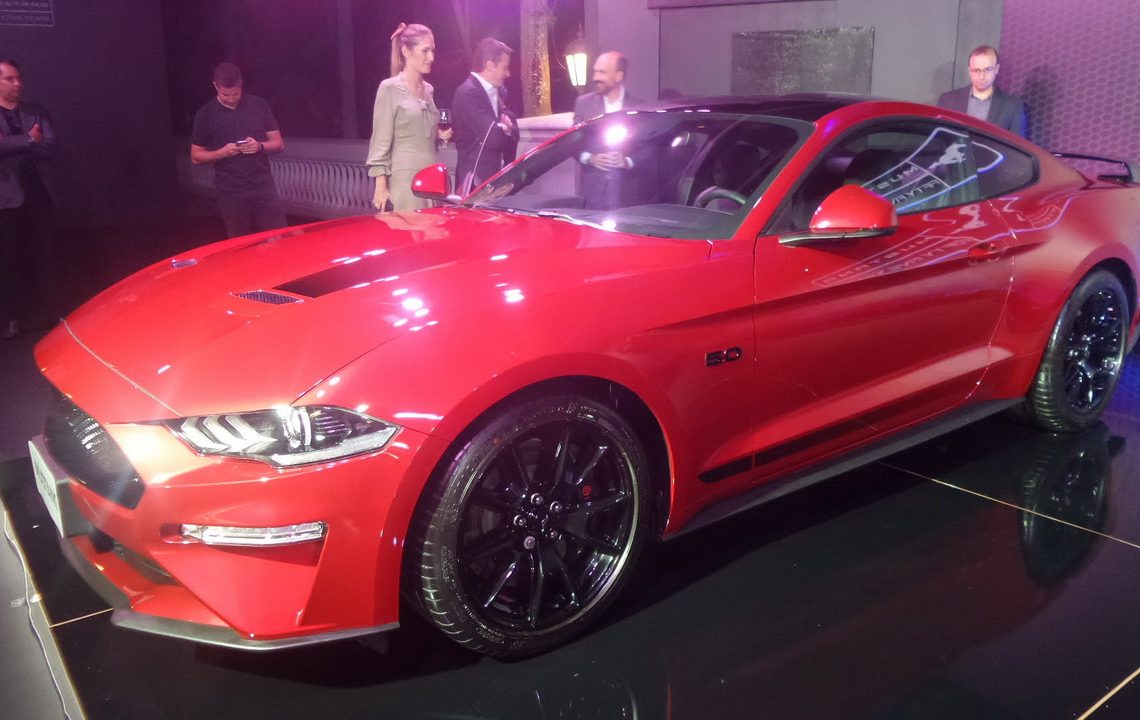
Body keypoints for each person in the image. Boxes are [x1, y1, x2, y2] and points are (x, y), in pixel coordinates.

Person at [191, 62, 286, 238]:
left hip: (263, 184)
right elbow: (196, 156)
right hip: (230, 189)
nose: (231, 98)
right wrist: (222, 152)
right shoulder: (205, 114)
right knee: (239, 241)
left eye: (235, 93)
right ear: (216, 86)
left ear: (241, 84)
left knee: (277, 236)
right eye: (225, 94)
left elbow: (278, 144)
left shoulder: (259, 105)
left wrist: (259, 146)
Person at [366, 22, 452, 212]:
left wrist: (439, 134)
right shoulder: (389, 88)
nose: (431, 57)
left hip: (432, 176)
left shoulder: (429, 89)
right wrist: (381, 186)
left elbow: (419, 131)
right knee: (409, 227)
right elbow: (380, 140)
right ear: (406, 51)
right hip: (405, 180)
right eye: (425, 51)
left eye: (433, 51)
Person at [0, 57, 56, 339]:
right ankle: (11, 318)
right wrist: (29, 140)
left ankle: (50, 314)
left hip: (39, 197)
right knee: (9, 262)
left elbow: (50, 145)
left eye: (19, 78)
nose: (17, 84)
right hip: (6, 202)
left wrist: (15, 144)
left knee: (44, 259)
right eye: (9, 78)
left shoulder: (36, 112)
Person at [572, 52, 641, 209]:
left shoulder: (638, 108)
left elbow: (648, 149)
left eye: (602, 72)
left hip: (627, 197)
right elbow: (573, 143)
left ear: (618, 76)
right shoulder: (583, 103)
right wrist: (590, 158)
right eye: (595, 71)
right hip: (593, 196)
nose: (595, 77)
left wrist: (627, 161)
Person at [452, 37, 518, 195]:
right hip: (475, 187)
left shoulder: (494, 91)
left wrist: (507, 129)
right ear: (490, 65)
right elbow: (493, 139)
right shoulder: (468, 93)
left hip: (496, 184)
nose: (508, 74)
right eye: (504, 68)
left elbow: (515, 131)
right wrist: (506, 129)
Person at [937, 45, 1027, 137]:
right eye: (976, 70)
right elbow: (938, 139)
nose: (982, 76)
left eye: (988, 69)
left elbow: (1016, 143)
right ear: (969, 71)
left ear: (996, 69)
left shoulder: (1012, 106)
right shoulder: (947, 100)